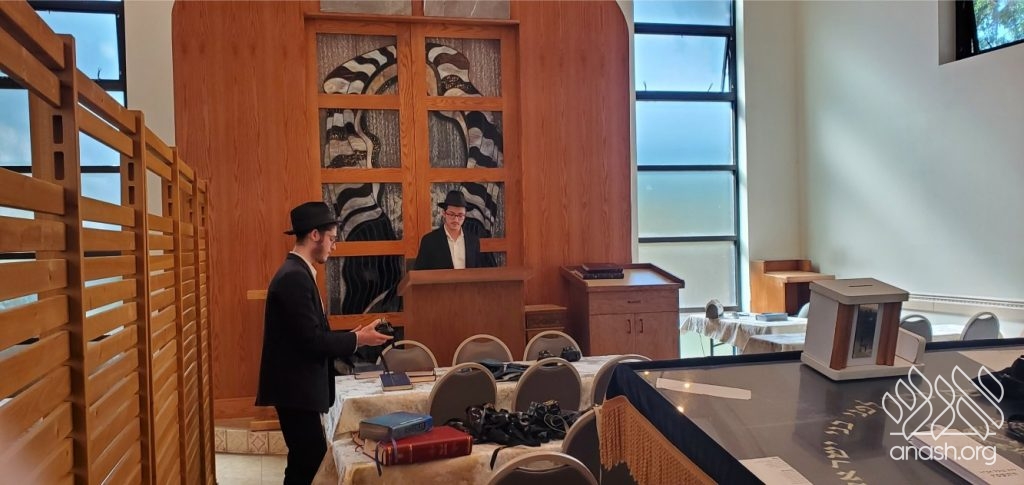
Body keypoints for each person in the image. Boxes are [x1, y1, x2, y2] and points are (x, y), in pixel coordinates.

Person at [256, 201, 391, 485]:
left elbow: (309, 334)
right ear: (315, 235)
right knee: (311, 465)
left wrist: (354, 336)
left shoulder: (298, 272)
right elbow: (312, 341)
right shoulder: (293, 277)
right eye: (331, 238)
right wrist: (359, 339)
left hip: (297, 391)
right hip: (295, 392)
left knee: (303, 466)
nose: (334, 246)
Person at [414, 190, 493, 270]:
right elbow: (419, 272)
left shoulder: (473, 240)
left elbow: (478, 271)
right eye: (451, 214)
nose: (456, 219)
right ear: (444, 213)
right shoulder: (429, 240)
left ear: (465, 216)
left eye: (460, 215)